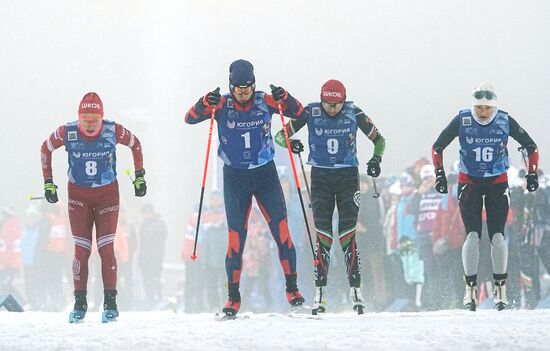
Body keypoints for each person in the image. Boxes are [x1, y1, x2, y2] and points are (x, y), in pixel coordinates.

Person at [184, 59, 305, 317]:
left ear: (254, 84)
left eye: (247, 87)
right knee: (236, 238)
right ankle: (233, 298)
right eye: (238, 88)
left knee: (281, 232)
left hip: (265, 174)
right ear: (231, 85)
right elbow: (189, 119)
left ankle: (292, 289)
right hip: (235, 177)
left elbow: (300, 112)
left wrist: (286, 97)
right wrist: (204, 101)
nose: (243, 93)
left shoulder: (265, 101)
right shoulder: (222, 104)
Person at [274, 79, 386, 314]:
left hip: (347, 176)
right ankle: (320, 292)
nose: (331, 109)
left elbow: (379, 140)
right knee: (323, 236)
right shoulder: (311, 112)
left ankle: (356, 290)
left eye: (336, 105)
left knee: (347, 234)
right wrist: (292, 143)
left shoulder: (355, 112)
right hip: (321, 178)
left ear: (343, 101)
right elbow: (279, 137)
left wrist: (376, 160)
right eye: (327, 104)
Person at [432, 82, 539, 311]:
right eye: (479, 107)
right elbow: (437, 146)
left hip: (496, 181)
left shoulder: (504, 120)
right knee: (472, 235)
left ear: (494, 107)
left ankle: (500, 289)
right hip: (469, 181)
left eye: (487, 109)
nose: (483, 113)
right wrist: (440, 175)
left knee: (498, 236)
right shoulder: (462, 119)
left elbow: (531, 146)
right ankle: (470, 289)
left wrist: (532, 174)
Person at [40, 92, 147, 322]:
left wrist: (140, 176)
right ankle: (79, 303)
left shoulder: (112, 130)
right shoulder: (67, 132)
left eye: (94, 120)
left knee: (106, 249)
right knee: (81, 250)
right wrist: (48, 182)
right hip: (78, 196)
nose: (89, 125)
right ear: (78, 118)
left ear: (102, 118)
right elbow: (45, 148)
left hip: (107, 195)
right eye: (85, 120)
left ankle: (110, 303)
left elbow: (135, 144)